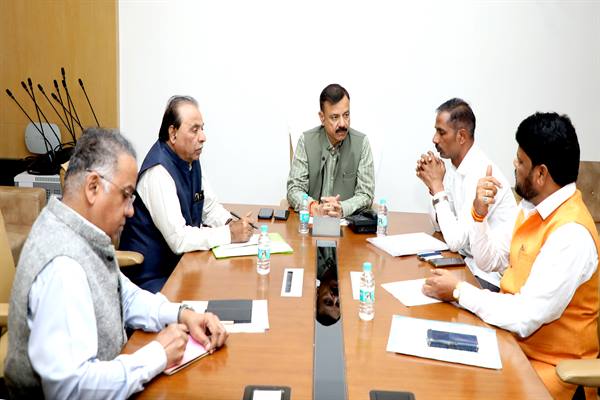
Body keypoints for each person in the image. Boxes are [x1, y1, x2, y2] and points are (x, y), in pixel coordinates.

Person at [4, 128, 228, 399]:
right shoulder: (63, 267)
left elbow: (124, 295)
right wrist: (158, 354)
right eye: (126, 195)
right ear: (93, 187)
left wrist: (183, 314)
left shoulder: (76, 230)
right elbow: (70, 389)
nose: (131, 210)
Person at [423, 112, 599, 400]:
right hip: (512, 347)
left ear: (541, 174)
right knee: (439, 368)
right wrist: (479, 214)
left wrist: (458, 290)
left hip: (550, 374)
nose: (514, 167)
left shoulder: (571, 234)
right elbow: (490, 260)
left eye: (520, 161)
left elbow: (525, 316)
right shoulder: (532, 209)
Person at [119, 95, 254, 293]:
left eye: (202, 128)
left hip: (183, 265)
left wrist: (231, 224)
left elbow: (209, 208)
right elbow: (179, 239)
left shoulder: (190, 160)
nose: (203, 137)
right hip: (154, 279)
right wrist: (229, 234)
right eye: (194, 129)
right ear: (173, 133)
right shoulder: (158, 172)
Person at [416, 98, 517, 291]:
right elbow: (440, 226)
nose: (434, 139)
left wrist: (437, 187)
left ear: (461, 136)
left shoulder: (480, 173)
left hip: (491, 277)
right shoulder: (457, 168)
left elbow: (455, 241)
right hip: (468, 263)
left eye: (441, 132)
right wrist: (434, 186)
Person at [287, 83, 375, 218]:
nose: (343, 124)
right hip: (311, 222)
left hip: (346, 224)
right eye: (335, 117)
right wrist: (314, 207)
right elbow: (294, 189)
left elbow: (366, 194)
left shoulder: (362, 143)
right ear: (322, 117)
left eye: (346, 115)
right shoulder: (306, 141)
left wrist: (342, 208)